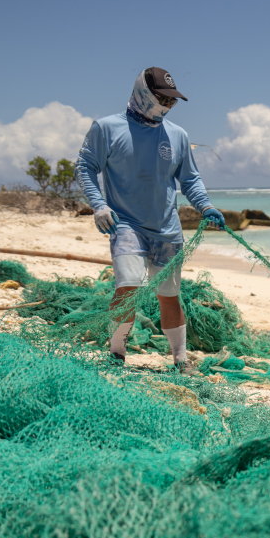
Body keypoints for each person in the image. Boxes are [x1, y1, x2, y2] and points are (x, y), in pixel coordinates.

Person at [76, 67, 226, 374]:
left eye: (172, 100)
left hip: (168, 230)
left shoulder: (178, 135)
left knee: (169, 296)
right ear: (143, 92)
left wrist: (206, 206)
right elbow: (84, 166)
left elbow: (191, 180)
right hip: (126, 225)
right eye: (162, 98)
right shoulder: (106, 128)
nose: (167, 105)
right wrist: (99, 206)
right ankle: (117, 352)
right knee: (128, 287)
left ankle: (181, 360)